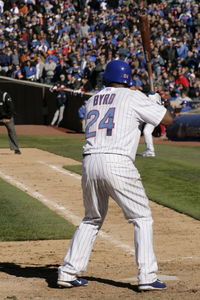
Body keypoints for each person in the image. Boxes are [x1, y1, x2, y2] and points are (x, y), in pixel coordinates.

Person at [57, 60, 174, 291]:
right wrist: (157, 102)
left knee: (91, 218)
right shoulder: (133, 96)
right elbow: (168, 120)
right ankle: (147, 276)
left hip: (90, 161)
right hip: (117, 160)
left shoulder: (92, 99)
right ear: (128, 78)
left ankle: (68, 272)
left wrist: (147, 100)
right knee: (141, 217)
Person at [0, 89, 21, 154]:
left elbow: (11, 107)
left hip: (7, 116)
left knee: (11, 130)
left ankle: (16, 149)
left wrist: (8, 118)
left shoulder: (4, 95)